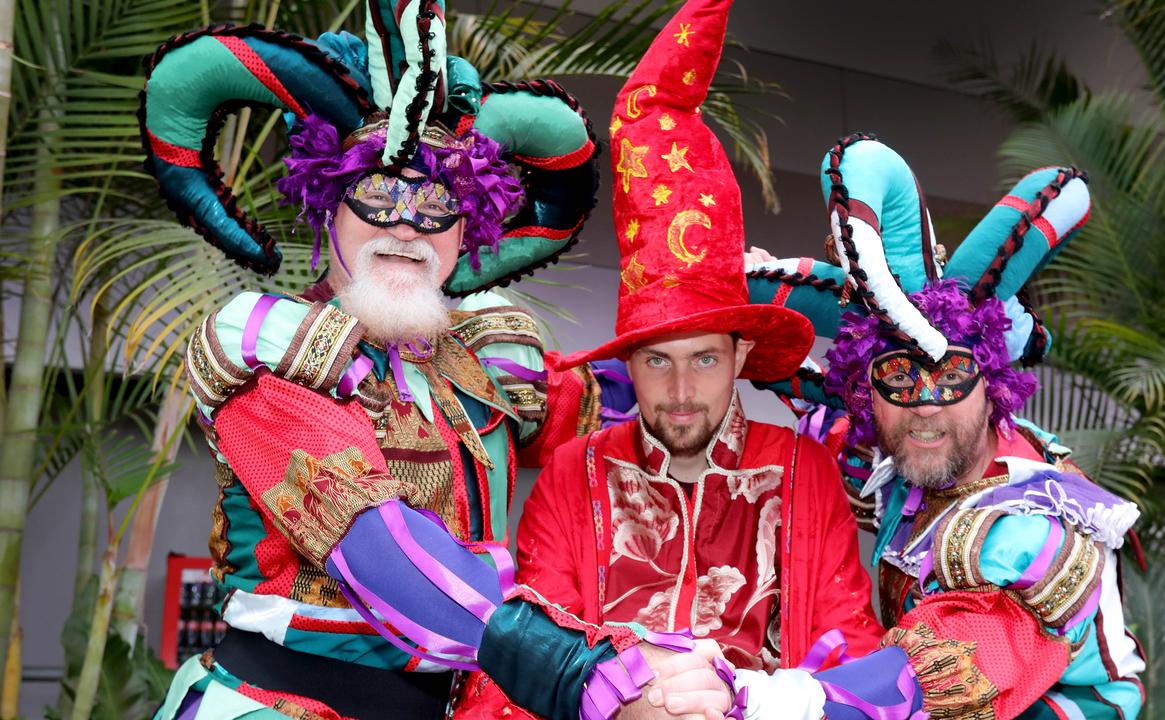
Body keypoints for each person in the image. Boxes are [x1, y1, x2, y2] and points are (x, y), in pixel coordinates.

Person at [141, 6, 734, 720]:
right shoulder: (275, 359)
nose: (404, 224)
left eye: (435, 202)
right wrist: (591, 675)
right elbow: (379, 552)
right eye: (378, 193)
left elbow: (647, 399)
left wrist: (727, 315)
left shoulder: (488, 361)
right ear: (327, 203)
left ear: (465, 229)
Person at [455, 1, 882, 714]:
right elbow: (532, 649)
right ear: (629, 361)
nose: (680, 390)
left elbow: (852, 651)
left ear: (742, 354)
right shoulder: (574, 472)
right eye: (657, 361)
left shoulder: (803, 473)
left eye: (705, 360)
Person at [669, 134, 1148, 718]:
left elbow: (960, 667)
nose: (924, 405)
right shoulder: (902, 461)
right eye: (898, 375)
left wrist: (790, 702)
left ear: (993, 386)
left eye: (951, 375)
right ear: (867, 393)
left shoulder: (1031, 527)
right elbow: (803, 404)